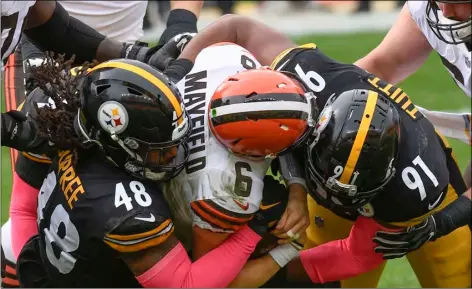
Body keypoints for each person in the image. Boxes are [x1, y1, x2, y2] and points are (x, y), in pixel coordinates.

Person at [162, 13, 471, 287]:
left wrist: (441, 222)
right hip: (334, 147)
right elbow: (236, 26)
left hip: (413, 199)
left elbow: (358, 255)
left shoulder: (413, 190)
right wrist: (176, 72)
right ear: (315, 125)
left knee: (455, 278)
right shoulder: (307, 82)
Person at [15, 56, 271, 288]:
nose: (174, 154)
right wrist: (254, 230)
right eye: (159, 149)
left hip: (46, 264)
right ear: (119, 142)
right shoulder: (127, 210)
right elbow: (187, 285)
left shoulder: (74, 126)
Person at [1, 2, 202, 287]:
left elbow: (50, 22)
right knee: (48, 210)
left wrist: (138, 52)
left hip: (118, 65)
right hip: (51, 66)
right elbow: (24, 206)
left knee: (132, 213)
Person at [163, 42, 314, 287]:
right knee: (275, 208)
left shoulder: (223, 62)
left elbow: (228, 26)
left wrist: (298, 190)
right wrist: (290, 248)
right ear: (255, 151)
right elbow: (207, 282)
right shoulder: (224, 188)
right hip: (175, 231)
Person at [354, 0, 472, 262]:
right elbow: (382, 65)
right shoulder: (429, 7)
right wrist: (330, 92)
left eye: (457, 1)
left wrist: (443, 222)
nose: (445, 12)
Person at [1, 0, 199, 152]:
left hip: (99, 50)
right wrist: (9, 129)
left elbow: (57, 29)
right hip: (45, 57)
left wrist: (137, 55)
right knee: (38, 176)